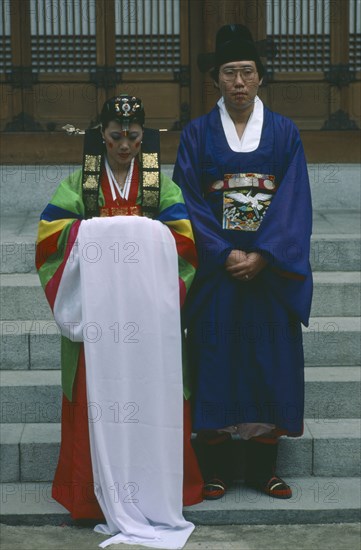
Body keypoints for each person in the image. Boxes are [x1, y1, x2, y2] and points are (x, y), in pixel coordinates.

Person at [36, 95, 203, 549]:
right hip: (98, 319)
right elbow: (51, 236)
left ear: (144, 137)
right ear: (101, 134)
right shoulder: (81, 183)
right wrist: (103, 230)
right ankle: (90, 498)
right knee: (97, 397)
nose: (124, 145)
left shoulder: (159, 186)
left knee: (153, 393)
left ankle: (164, 489)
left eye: (133, 136)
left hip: (146, 319)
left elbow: (184, 240)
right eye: (115, 135)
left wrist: (126, 230)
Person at [173, 25, 313, 500]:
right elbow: (186, 202)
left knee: (269, 363)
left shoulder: (284, 132)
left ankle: (262, 469)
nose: (238, 81)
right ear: (216, 80)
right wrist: (222, 251)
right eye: (229, 72)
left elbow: (294, 200)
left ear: (260, 79)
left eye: (247, 72)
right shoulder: (196, 135)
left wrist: (264, 253)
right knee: (216, 360)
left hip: (268, 271)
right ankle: (213, 466)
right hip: (218, 271)